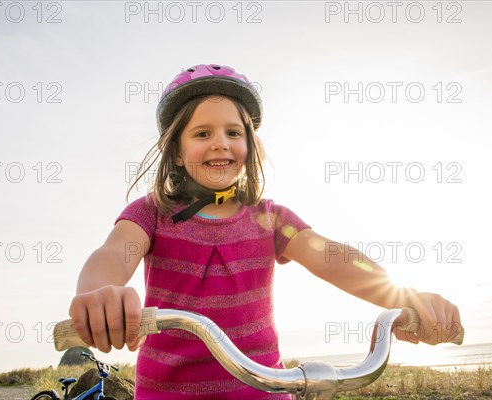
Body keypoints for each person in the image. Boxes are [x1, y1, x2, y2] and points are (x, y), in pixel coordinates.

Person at [68, 63, 462, 399]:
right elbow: (113, 253)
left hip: (262, 388)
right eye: (202, 133)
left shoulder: (271, 219)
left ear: (249, 144)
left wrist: (405, 296)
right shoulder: (152, 212)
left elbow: (333, 257)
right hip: (165, 392)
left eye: (233, 132)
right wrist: (97, 294)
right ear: (176, 150)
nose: (220, 143)